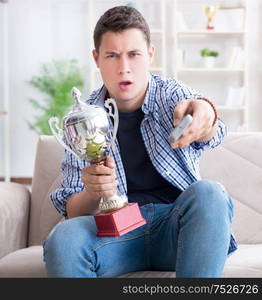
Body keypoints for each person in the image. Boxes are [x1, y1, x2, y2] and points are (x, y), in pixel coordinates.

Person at [43, 5, 237, 278]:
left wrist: (207, 114)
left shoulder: (170, 94)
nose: (124, 68)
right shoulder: (82, 119)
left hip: (176, 229)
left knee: (210, 193)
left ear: (150, 55)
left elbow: (212, 127)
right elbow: (74, 212)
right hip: (117, 234)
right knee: (65, 236)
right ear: (96, 59)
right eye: (112, 55)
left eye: (133, 54)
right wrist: (93, 191)